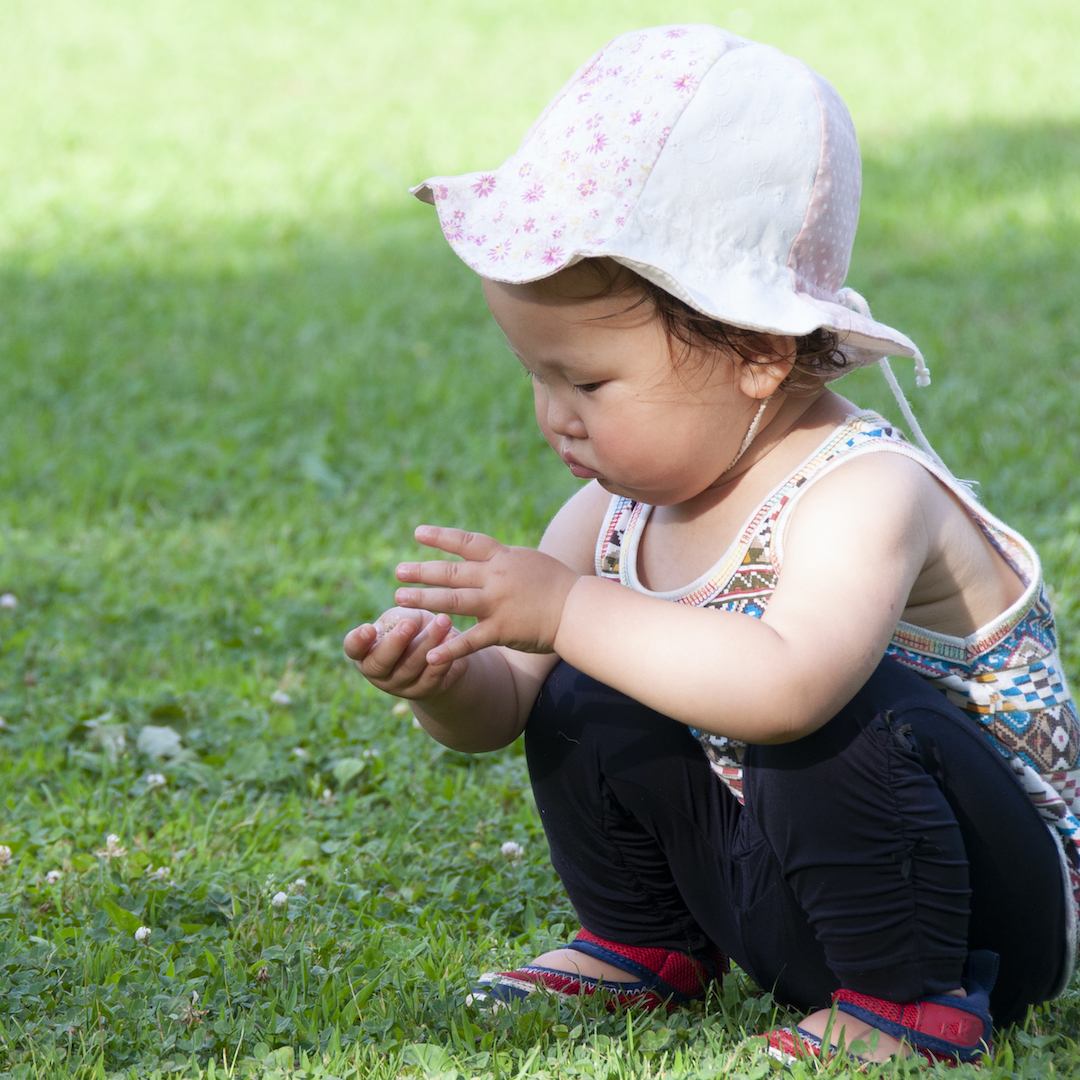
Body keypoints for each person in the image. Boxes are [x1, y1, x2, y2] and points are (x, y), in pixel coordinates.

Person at [343, 25, 1079, 1065]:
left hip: (981, 920)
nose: (554, 415)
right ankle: (646, 940)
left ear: (759, 354)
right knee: (586, 682)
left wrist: (569, 609)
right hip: (795, 897)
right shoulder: (610, 520)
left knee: (824, 704)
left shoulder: (866, 489)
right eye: (537, 376)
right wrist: (444, 682)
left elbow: (788, 691)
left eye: (587, 381)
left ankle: (910, 1006)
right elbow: (509, 707)